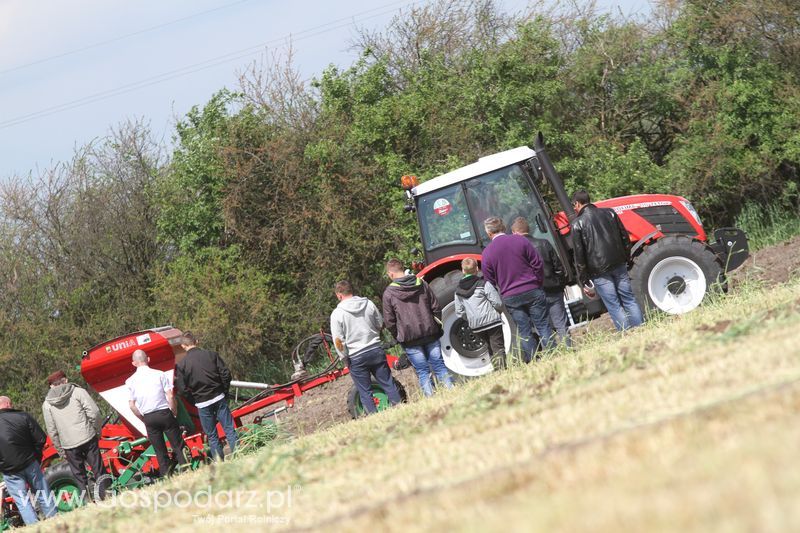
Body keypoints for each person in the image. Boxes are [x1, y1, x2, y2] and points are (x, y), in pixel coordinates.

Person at [481, 216, 553, 362]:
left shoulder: (487, 253)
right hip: (532, 289)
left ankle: (534, 361)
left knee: (524, 330)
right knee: (543, 325)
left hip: (510, 296)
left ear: (489, 233)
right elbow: (537, 263)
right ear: (505, 228)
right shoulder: (520, 240)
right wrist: (537, 282)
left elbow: (489, 282)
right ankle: (555, 354)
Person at [571, 190, 644, 331]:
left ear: (577, 203)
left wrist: (584, 279)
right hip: (619, 264)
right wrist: (627, 258)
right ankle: (641, 329)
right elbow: (625, 238)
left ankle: (627, 334)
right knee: (629, 299)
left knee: (614, 305)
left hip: (598, 271)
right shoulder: (610, 213)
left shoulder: (577, 224)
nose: (574, 208)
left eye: (574, 205)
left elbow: (579, 255)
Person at [382, 259, 454, 397]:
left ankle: (432, 400)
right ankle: (452, 393)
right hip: (430, 332)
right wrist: (437, 325)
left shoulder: (389, 293)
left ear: (391, 274)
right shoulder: (421, 283)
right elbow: (435, 307)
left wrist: (398, 335)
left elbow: (389, 320)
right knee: (439, 366)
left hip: (410, 339)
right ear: (403, 268)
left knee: (422, 372)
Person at [330, 280, 402, 414]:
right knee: (388, 383)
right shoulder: (368, 303)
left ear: (339, 295)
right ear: (351, 291)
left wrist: (344, 358)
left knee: (365, 391)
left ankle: (375, 418)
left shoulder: (337, 314)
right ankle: (400, 408)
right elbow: (380, 323)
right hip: (375, 349)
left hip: (356, 356)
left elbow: (338, 341)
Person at [42, 370, 107, 501]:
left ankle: (88, 501)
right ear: (65, 380)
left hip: (68, 444)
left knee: (79, 476)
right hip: (88, 437)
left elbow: (52, 430)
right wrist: (97, 430)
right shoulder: (78, 392)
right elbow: (94, 412)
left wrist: (60, 450)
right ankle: (105, 496)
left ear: (51, 386)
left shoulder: (47, 404)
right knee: (98, 470)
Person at [175, 332, 237, 461]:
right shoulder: (211, 355)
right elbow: (226, 374)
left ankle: (219, 462)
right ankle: (239, 454)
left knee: (212, 436)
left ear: (183, 346)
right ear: (196, 341)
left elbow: (182, 389)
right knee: (229, 429)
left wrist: (194, 401)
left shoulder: (182, 365)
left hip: (202, 403)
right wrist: (224, 391)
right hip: (218, 396)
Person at [511, 217, 571, 346]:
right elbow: (558, 267)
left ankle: (552, 353)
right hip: (553, 289)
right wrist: (560, 285)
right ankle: (569, 348)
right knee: (561, 323)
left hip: (534, 292)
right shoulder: (544, 243)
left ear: (516, 232)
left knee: (542, 326)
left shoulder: (517, 250)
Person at [125, 350, 187, 477]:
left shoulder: (130, 381)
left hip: (149, 417)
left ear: (133, 363)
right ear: (148, 359)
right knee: (177, 445)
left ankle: (166, 476)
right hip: (164, 413)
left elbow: (132, 405)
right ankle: (186, 470)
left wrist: (143, 418)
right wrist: (174, 411)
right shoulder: (159, 374)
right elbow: (170, 395)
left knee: (160, 451)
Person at [0, 396, 57, 526]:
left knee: (22, 501)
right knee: (43, 493)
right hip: (30, 463)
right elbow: (41, 439)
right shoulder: (22, 416)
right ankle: (55, 520)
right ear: (8, 404)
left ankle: (34, 526)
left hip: (9, 470)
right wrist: (35, 457)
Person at [453, 258, 506, 369]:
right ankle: (502, 371)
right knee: (498, 347)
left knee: (490, 348)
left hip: (476, 326)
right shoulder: (483, 283)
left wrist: (470, 319)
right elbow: (497, 302)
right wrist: (498, 312)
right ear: (477, 269)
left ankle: (497, 370)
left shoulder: (458, 291)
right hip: (492, 321)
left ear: (463, 270)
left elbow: (459, 312)